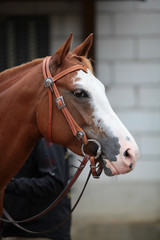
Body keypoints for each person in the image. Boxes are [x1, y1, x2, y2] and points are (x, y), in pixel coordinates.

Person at [2, 138, 71, 240]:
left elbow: (53, 183)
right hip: (15, 230)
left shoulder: (46, 138)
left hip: (40, 232)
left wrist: (7, 184)